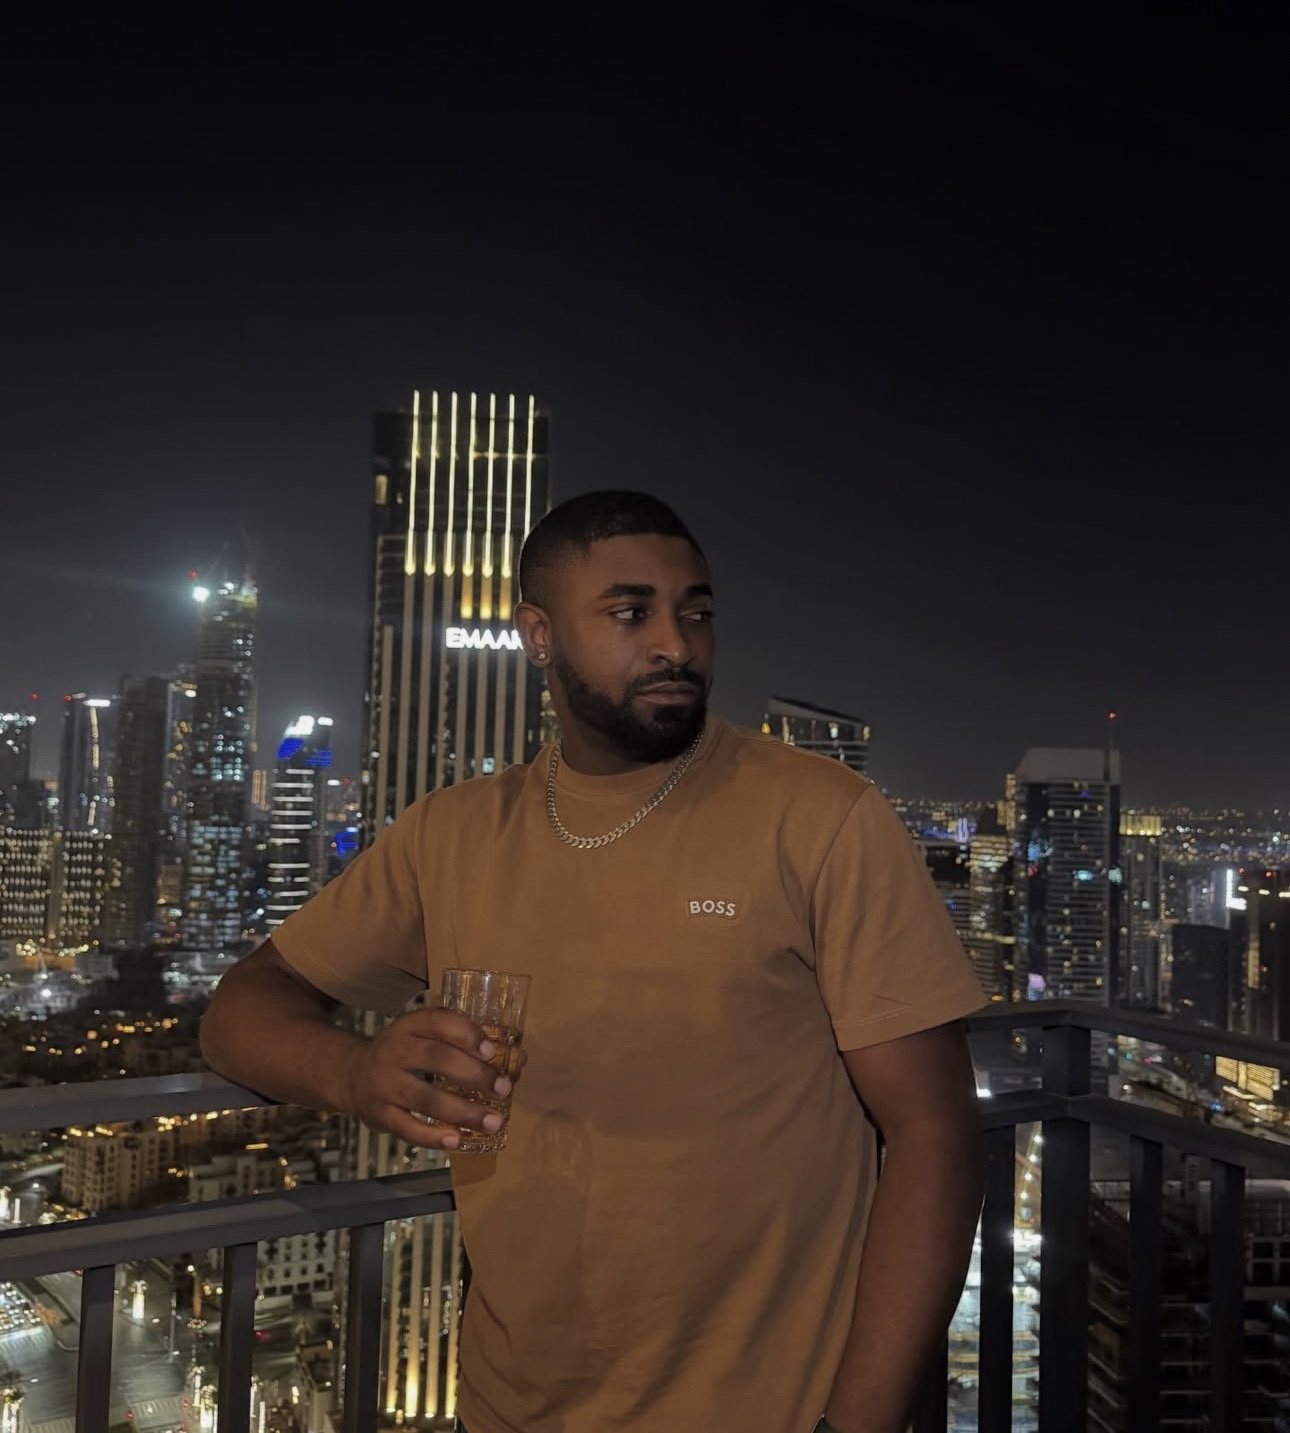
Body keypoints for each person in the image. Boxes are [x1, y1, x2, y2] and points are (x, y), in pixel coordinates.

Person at [200, 490, 986, 1433]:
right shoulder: (452, 834)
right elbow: (238, 1012)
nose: (676, 643)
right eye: (630, 613)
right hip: (509, 1405)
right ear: (538, 634)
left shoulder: (822, 817)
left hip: (768, 1409)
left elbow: (935, 1135)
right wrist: (355, 1070)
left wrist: (858, 1422)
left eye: (695, 612)